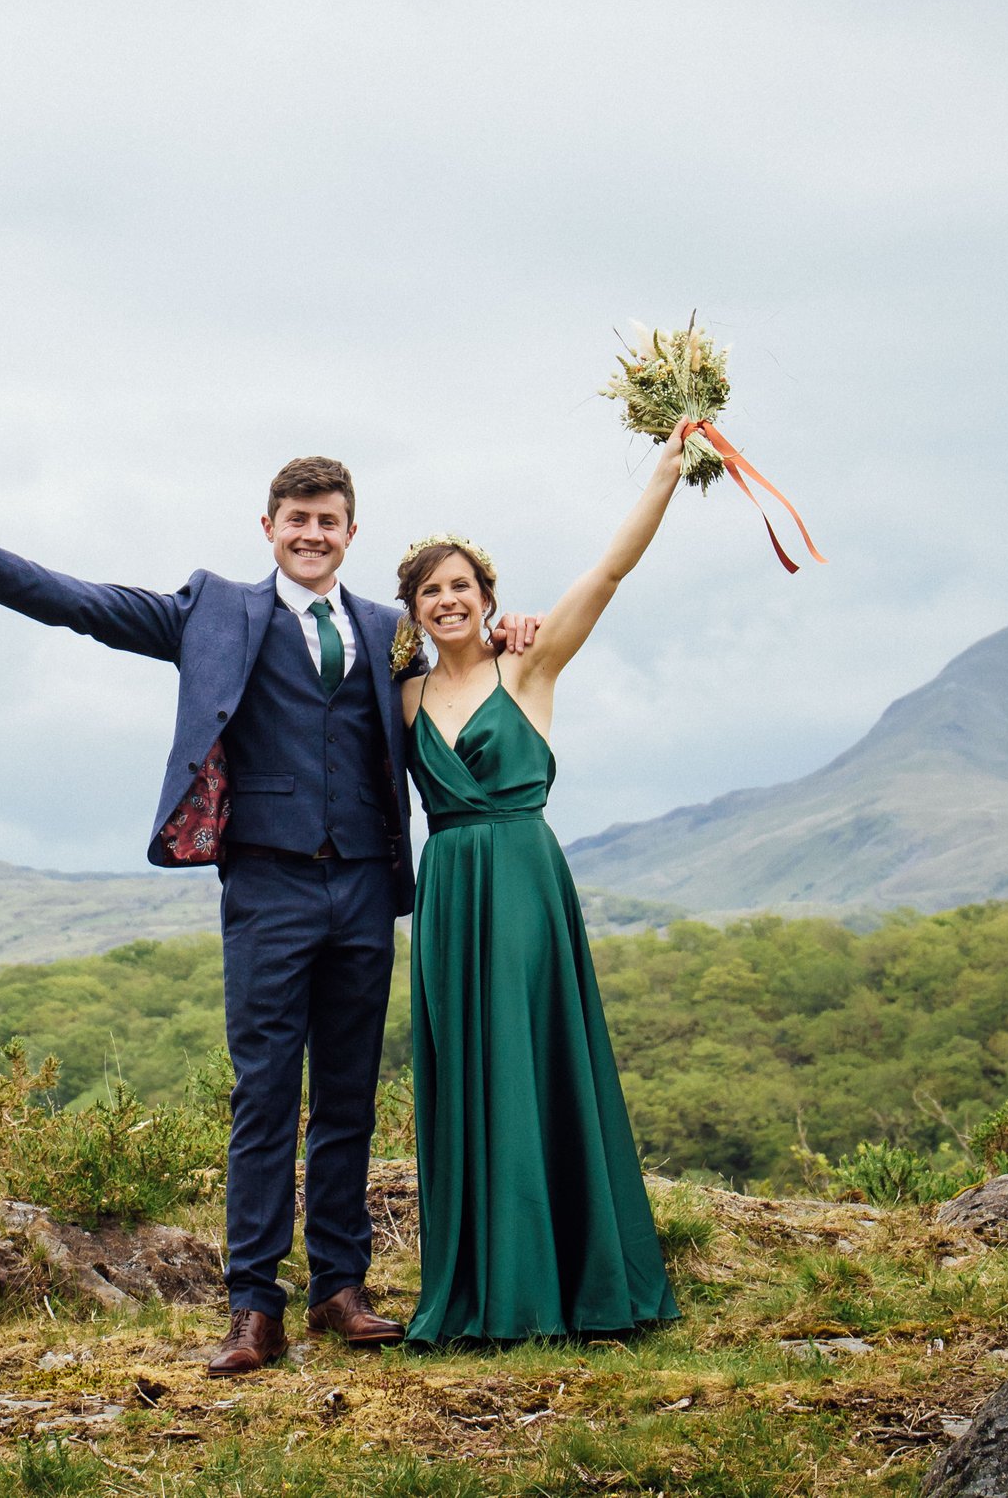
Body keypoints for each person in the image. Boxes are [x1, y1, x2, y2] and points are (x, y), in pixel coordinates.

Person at [0, 459, 536, 1374]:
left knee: (348, 1097)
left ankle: (340, 1288)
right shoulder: (214, 608)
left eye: (328, 521)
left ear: (351, 534)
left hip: (365, 886)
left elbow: (461, 665)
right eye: (298, 519)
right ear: (269, 527)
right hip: (266, 887)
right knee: (264, 1097)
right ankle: (254, 1305)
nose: (313, 534)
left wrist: (508, 633)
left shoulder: (390, 629)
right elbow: (92, 606)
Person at [392, 418, 701, 1344]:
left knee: (531, 1056)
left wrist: (667, 469)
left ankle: (570, 1283)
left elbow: (608, 572)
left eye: (461, 585)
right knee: (467, 1075)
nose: (448, 599)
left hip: (523, 880)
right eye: (430, 590)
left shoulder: (528, 663)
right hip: (448, 893)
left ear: (488, 596)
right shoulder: (401, 696)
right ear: (412, 610)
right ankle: (485, 1288)